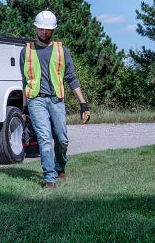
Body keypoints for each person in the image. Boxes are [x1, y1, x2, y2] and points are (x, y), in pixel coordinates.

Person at [20, 10, 91, 189]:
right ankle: (49, 178)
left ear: (53, 30)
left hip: (56, 100)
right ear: (36, 28)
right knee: (44, 138)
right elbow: (25, 82)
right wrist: (24, 108)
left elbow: (71, 78)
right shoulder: (26, 51)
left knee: (62, 138)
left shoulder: (61, 50)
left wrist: (83, 104)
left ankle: (60, 167)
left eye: (48, 29)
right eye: (42, 29)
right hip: (36, 100)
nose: (45, 32)